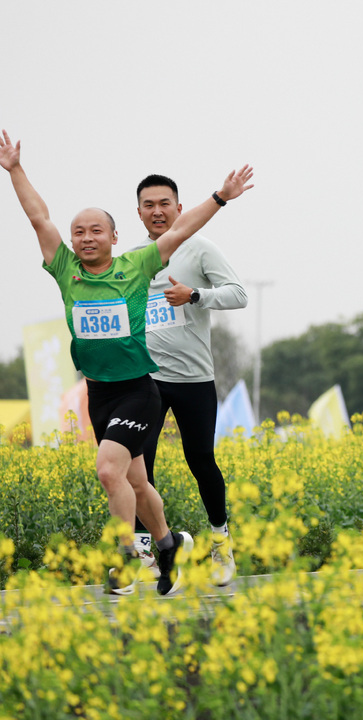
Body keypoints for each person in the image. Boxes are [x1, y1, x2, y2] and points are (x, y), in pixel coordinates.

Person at [0, 128, 253, 594]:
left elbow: (182, 230)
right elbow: (39, 218)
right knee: (138, 479)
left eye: (97, 230)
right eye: (80, 232)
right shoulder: (65, 270)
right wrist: (15, 169)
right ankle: (168, 543)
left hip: (141, 388)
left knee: (110, 469)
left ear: (116, 236)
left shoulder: (136, 266)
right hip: (100, 392)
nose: (87, 238)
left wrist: (220, 196)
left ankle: (129, 558)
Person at [129, 174, 246, 586]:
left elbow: (238, 294)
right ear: (139, 212)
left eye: (165, 203)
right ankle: (151, 552)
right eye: (148, 204)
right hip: (147, 381)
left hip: (194, 378)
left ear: (180, 208)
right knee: (138, 466)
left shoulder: (199, 249)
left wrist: (195, 295)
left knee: (200, 462)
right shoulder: (134, 259)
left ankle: (220, 539)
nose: (157, 211)